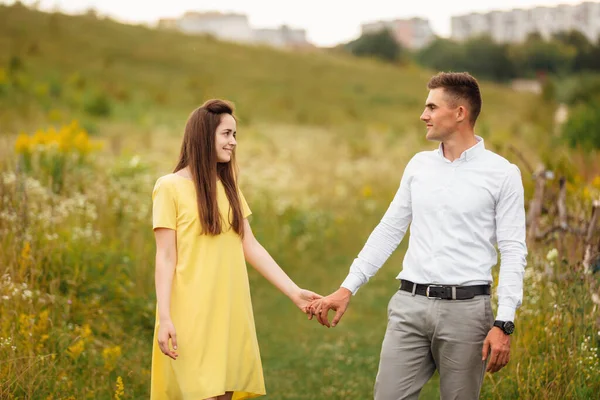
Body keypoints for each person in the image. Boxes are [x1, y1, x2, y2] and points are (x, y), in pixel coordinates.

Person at [308, 72, 528, 399]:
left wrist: (504, 322)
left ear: (459, 113)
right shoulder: (418, 166)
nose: (423, 115)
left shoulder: (503, 174)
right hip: (409, 307)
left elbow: (513, 251)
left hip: (467, 314)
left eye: (431, 107)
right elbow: (389, 229)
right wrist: (347, 287)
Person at [150, 99, 321, 400]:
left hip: (230, 308)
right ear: (204, 136)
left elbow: (250, 245)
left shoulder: (228, 187)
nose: (233, 142)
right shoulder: (169, 187)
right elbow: (165, 257)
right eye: (226, 134)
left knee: (225, 393)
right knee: (202, 392)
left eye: (235, 135)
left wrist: (294, 292)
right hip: (191, 311)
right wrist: (165, 318)